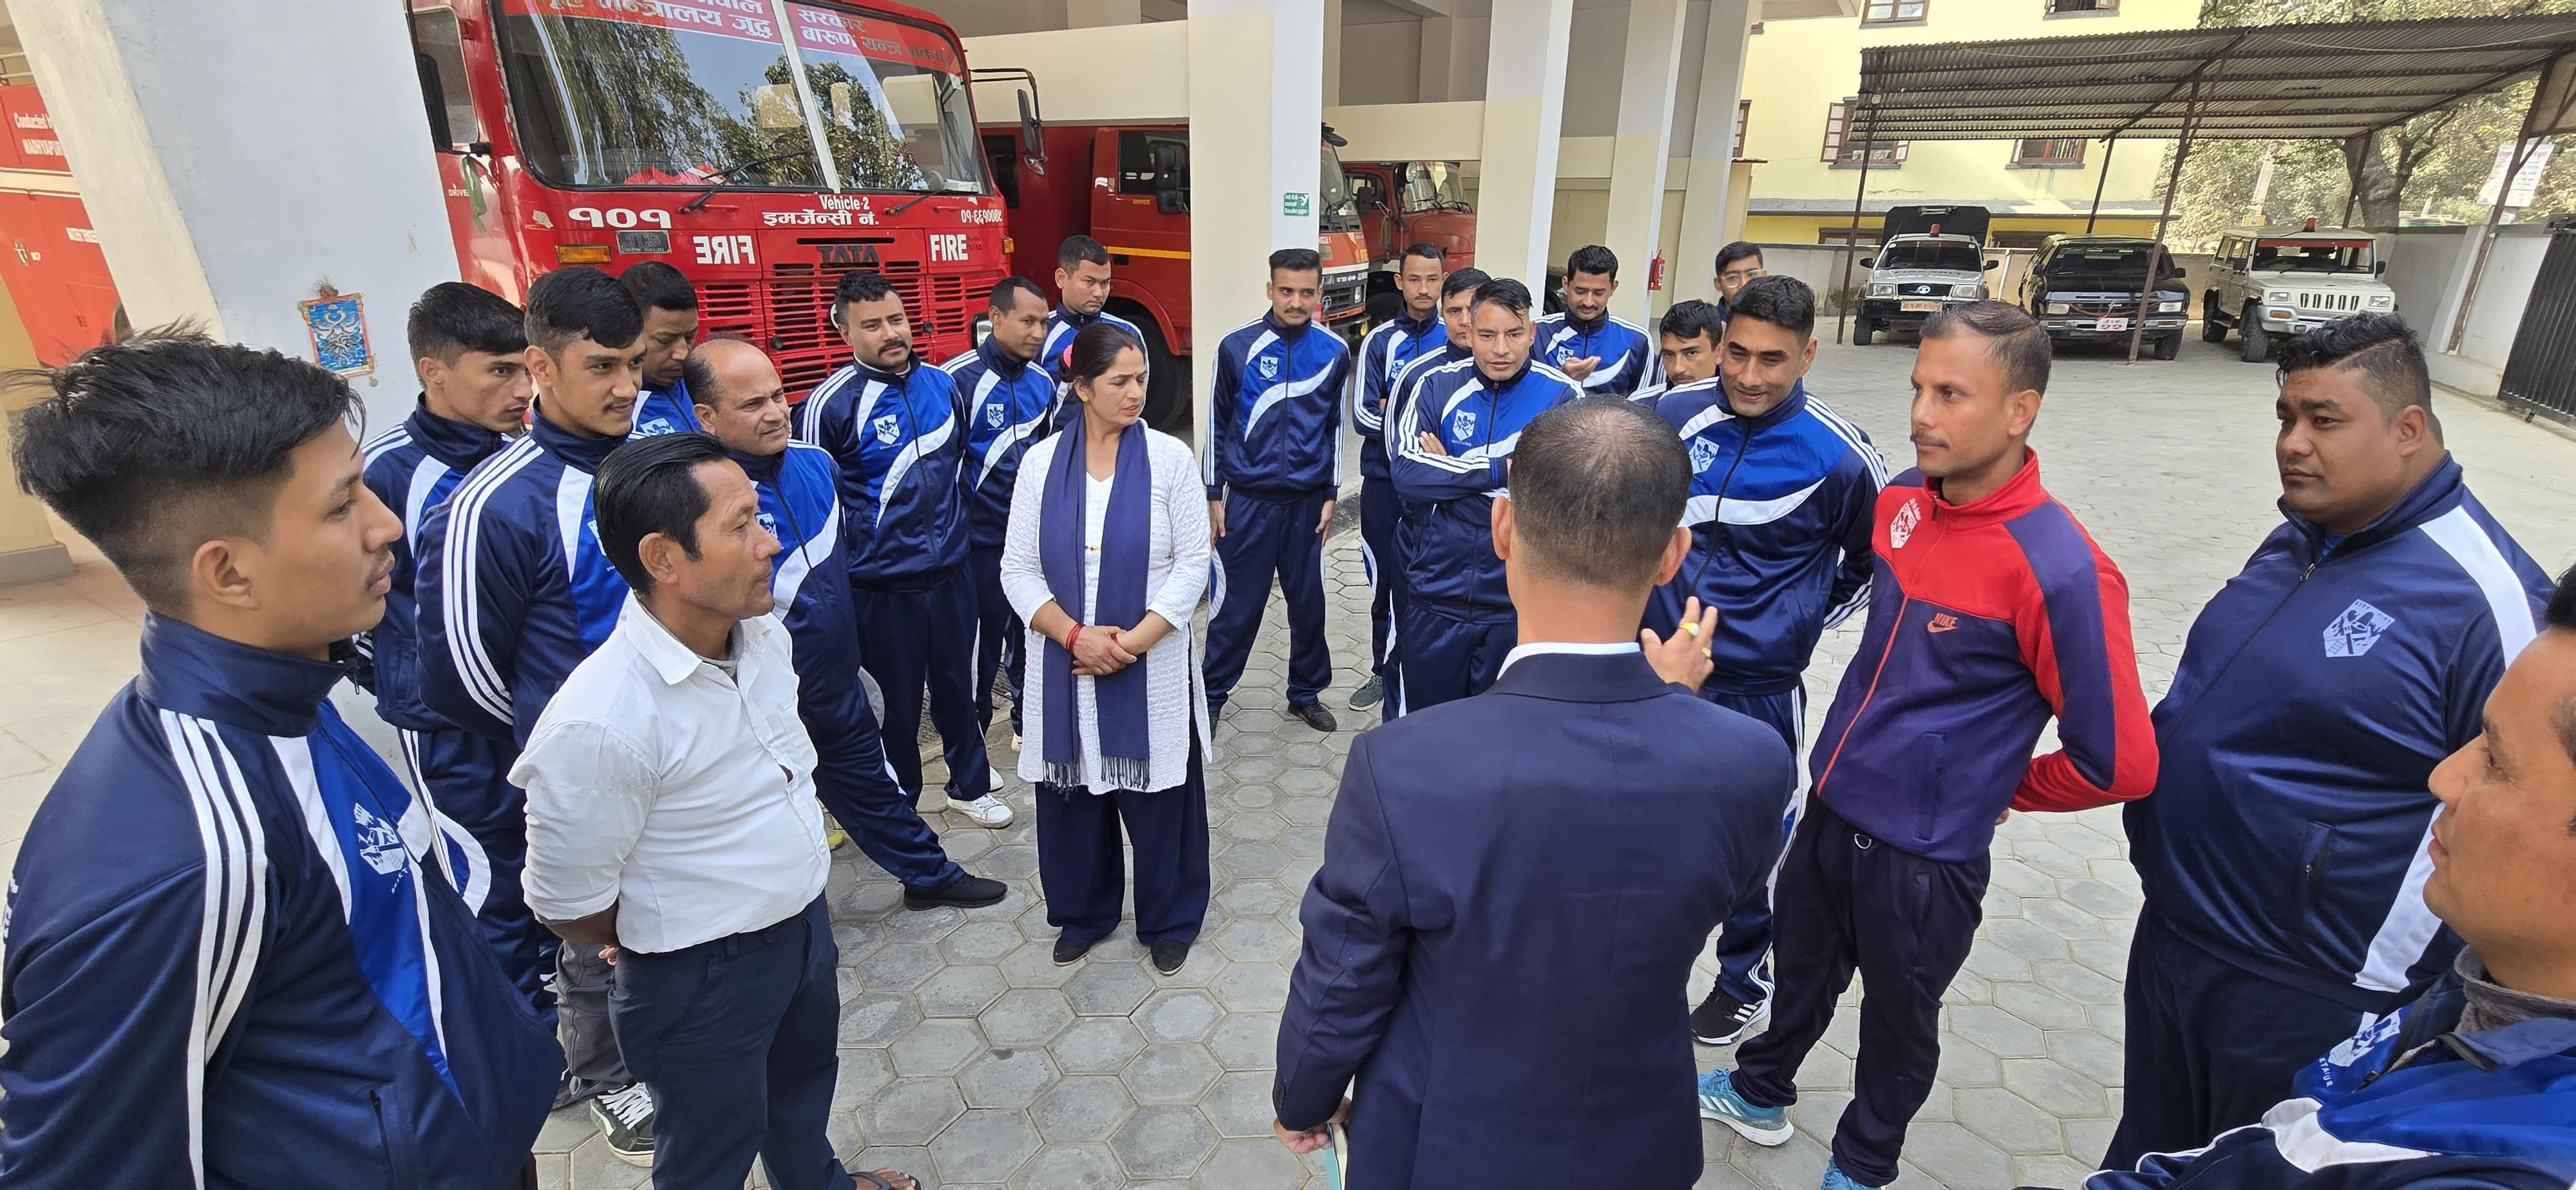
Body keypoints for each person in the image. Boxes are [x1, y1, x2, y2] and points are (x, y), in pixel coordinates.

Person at [0, 330, 555, 1186]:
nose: (386, 524)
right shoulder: (189, 857)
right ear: (226, 573)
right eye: (341, 506)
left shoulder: (292, 698)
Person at [1272, 397, 1795, 1185]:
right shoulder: (1749, 761)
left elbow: (1343, 976)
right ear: (1672, 554)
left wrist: (1303, 1098)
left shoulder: (1405, 765)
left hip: (1447, 1144)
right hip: (1639, 1144)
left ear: (1502, 528)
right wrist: (1671, 709)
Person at [1697, 301, 2159, 1190]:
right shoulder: (1903, 500)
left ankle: (1863, 1165)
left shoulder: (2060, 567)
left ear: (2020, 411)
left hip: (1923, 855)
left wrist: (1994, 787)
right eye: (1918, 388)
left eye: (1951, 395)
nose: (1920, 415)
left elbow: (2122, 762)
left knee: (1898, 1022)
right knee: (1803, 973)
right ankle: (1759, 1092)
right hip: (1832, 805)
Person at [2105, 314, 2553, 1168]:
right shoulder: (2299, 539)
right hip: (2179, 938)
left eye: (2325, 420)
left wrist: (2383, 988)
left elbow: (2524, 803)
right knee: (2151, 1163)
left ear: (2408, 429)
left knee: (2260, 1174)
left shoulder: (2484, 600)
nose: (2293, 443)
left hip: (2309, 989)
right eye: (2286, 417)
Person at [2082, 564, 2576, 1190]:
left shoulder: (2493, 1166)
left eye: (2496, 760)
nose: (2442, 778)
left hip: (2297, 981)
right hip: (2181, 934)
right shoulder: (2480, 992)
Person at [516, 433, 920, 1190]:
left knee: (800, 1097)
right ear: (664, 559)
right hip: (699, 977)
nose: (770, 542)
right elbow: (565, 902)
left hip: (801, 929)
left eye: (759, 518)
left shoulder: (760, 636)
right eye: (741, 526)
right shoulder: (600, 721)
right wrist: (656, 928)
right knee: (709, 1151)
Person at [417, 265, 658, 1157]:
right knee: (593, 933)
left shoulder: (657, 462)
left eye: (632, 364)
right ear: (541, 368)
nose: (625, 386)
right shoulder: (494, 502)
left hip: (677, 756)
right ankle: (605, 1078)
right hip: (583, 774)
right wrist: (558, 738)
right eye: (601, 367)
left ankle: (678, 1042)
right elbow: (463, 675)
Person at [1645, 276, 1886, 1048]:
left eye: (1772, 360)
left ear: (1807, 355)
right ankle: (1636, 966)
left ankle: (1742, 978)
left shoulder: (1840, 455)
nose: (1749, 376)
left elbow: (1877, 564)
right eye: (1737, 354)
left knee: (1756, 843)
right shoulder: (1670, 415)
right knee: (1640, 826)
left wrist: (1797, 621)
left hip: (1757, 689)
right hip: (1655, 675)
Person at [687, 336, 1007, 911]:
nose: (775, 413)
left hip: (833, 676)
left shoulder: (816, 464)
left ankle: (928, 877)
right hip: (754, 695)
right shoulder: (698, 496)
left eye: (778, 396)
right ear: (707, 416)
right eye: (752, 404)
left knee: (870, 779)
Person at [1001, 323, 1213, 974]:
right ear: (1083, 387)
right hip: (1065, 660)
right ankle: (1085, 913)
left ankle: (1170, 918)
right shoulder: (1040, 465)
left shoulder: (1170, 460)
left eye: (1140, 378)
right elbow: (1017, 569)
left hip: (1150, 661)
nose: (1136, 392)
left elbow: (1193, 564)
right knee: (1074, 793)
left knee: (1160, 797)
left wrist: (1132, 643)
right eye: (1120, 381)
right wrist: (1075, 635)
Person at [358, 281, 547, 1003]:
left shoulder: (523, 454)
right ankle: (523, 1029)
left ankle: (572, 1006)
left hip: (528, 706)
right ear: (433, 370)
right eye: (499, 371)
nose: (521, 389)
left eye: (524, 369)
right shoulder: (383, 473)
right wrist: (406, 683)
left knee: (553, 857)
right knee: (488, 873)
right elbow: (356, 605)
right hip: (448, 724)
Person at [797, 270, 1010, 828]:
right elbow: (815, 506)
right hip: (880, 588)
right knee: (896, 705)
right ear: (845, 333)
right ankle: (902, 804)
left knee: (960, 688)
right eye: (872, 325)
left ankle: (970, 786)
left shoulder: (943, 385)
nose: (890, 333)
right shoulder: (828, 406)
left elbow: (960, 470)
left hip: (953, 575)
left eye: (896, 320)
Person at [1389, 277, 1580, 712]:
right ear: (1469, 332)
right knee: (1428, 725)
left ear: (1532, 333)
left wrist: (1448, 477)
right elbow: (1407, 473)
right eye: (1489, 335)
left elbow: (1559, 490)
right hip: (1436, 590)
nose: (1501, 349)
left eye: (1514, 334)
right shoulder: (1435, 385)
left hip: (1516, 604)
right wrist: (1500, 471)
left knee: (1502, 730)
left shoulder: (1563, 397)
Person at [1200, 247, 1353, 732]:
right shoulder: (1236, 347)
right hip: (1248, 502)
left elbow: (1335, 426)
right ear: (1270, 289)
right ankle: (1210, 695)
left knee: (1309, 605)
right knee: (1236, 606)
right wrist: (1213, 493)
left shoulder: (1334, 351)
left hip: (1307, 503)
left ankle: (1305, 693)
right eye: (1286, 291)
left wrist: (1331, 491)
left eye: (1306, 292)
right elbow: (1216, 421)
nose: (1296, 301)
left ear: (1319, 294)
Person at [945, 277, 1060, 749]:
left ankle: (1027, 727)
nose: (1038, 333)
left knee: (1032, 636)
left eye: (1044, 323)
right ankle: (971, 753)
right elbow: (945, 466)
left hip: (1030, 541)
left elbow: (1047, 460)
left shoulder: (1043, 383)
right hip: (978, 545)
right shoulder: (956, 380)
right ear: (996, 317)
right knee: (979, 651)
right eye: (1028, 321)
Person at [1347, 243, 1450, 713]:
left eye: (1432, 279)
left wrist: (1397, 409)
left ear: (1443, 281)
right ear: (1399, 282)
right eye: (1414, 279)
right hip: (1384, 484)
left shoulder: (1455, 338)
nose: (1423, 289)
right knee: (1383, 582)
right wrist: (1416, 431)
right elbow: (1362, 416)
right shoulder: (1379, 341)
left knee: (1431, 581)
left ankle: (1424, 671)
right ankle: (1380, 670)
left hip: (1439, 488)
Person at [1535, 244, 1658, 398]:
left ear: (1613, 288)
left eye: (1599, 293)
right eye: (1580, 291)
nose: (1588, 302)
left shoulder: (1637, 341)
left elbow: (1644, 404)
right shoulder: (1537, 333)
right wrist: (1561, 378)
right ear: (1566, 285)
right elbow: (1524, 397)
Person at [1042, 235, 1145, 388]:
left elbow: (1139, 394)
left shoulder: (1129, 332)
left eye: (1105, 283)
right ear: (1061, 278)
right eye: (1089, 282)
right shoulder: (1039, 334)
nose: (1098, 293)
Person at [622, 261, 703, 437]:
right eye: (665, 341)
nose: (683, 354)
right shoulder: (612, 414)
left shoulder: (705, 386)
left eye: (690, 337)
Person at [1625, 298, 1727, 407]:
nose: (1678, 368)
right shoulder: (1640, 406)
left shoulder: (1735, 408)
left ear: (1719, 352)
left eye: (1691, 353)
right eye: (1669, 355)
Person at [1715, 241, 1766, 318]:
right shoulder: (1707, 324)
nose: (1744, 284)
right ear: (1718, 284)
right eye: (1733, 277)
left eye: (1752, 275)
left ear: (1764, 277)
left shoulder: (1779, 321)